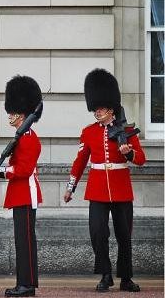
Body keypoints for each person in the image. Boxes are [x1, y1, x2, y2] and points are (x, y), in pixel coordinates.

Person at [63, 69, 145, 292]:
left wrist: (128, 152)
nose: (96, 112)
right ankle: (106, 274)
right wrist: (71, 187)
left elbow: (141, 159)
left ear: (111, 109)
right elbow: (80, 161)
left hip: (121, 188)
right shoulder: (89, 132)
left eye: (100, 108)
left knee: (124, 236)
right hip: (97, 189)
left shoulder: (127, 130)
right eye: (95, 108)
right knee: (98, 232)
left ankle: (126, 278)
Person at [0, 75, 43, 297]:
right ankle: (23, 282)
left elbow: (24, 170)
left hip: (25, 193)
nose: (10, 116)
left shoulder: (30, 138)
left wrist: (2, 171)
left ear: (21, 114)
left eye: (12, 112)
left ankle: (27, 285)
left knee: (25, 241)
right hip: (19, 193)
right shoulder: (21, 137)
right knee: (21, 242)